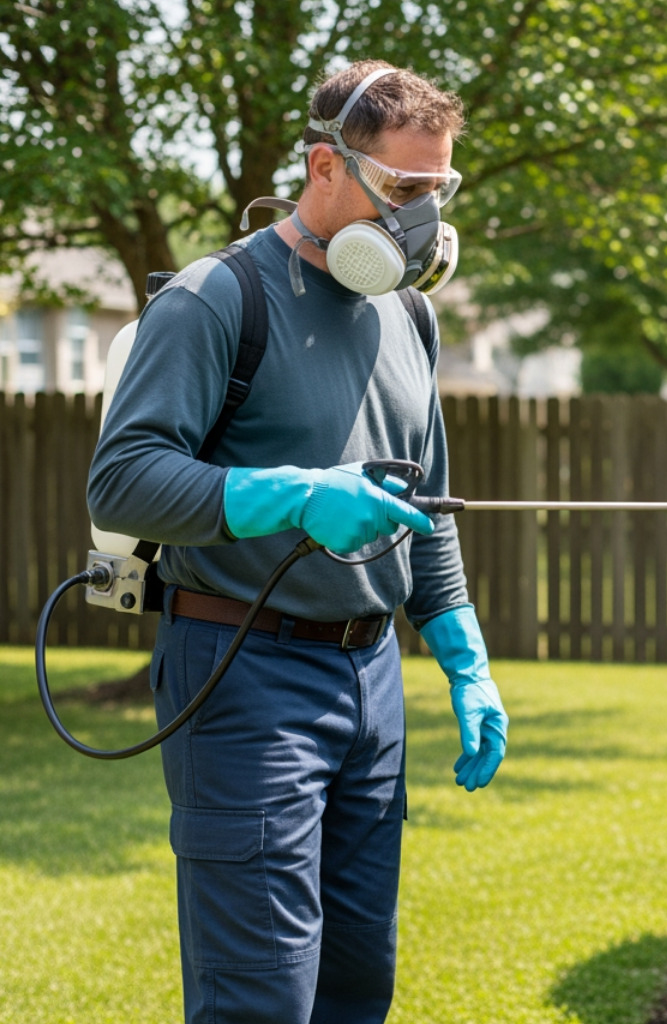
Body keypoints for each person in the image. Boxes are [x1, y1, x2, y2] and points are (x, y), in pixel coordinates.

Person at [88, 60, 507, 1024]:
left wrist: (459, 648)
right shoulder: (213, 300)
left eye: (436, 192)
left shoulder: (409, 311)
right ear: (326, 165)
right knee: (262, 1003)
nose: (420, 219)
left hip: (372, 685)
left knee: (358, 989)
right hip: (243, 676)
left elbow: (424, 499)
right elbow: (122, 478)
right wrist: (295, 496)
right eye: (401, 189)